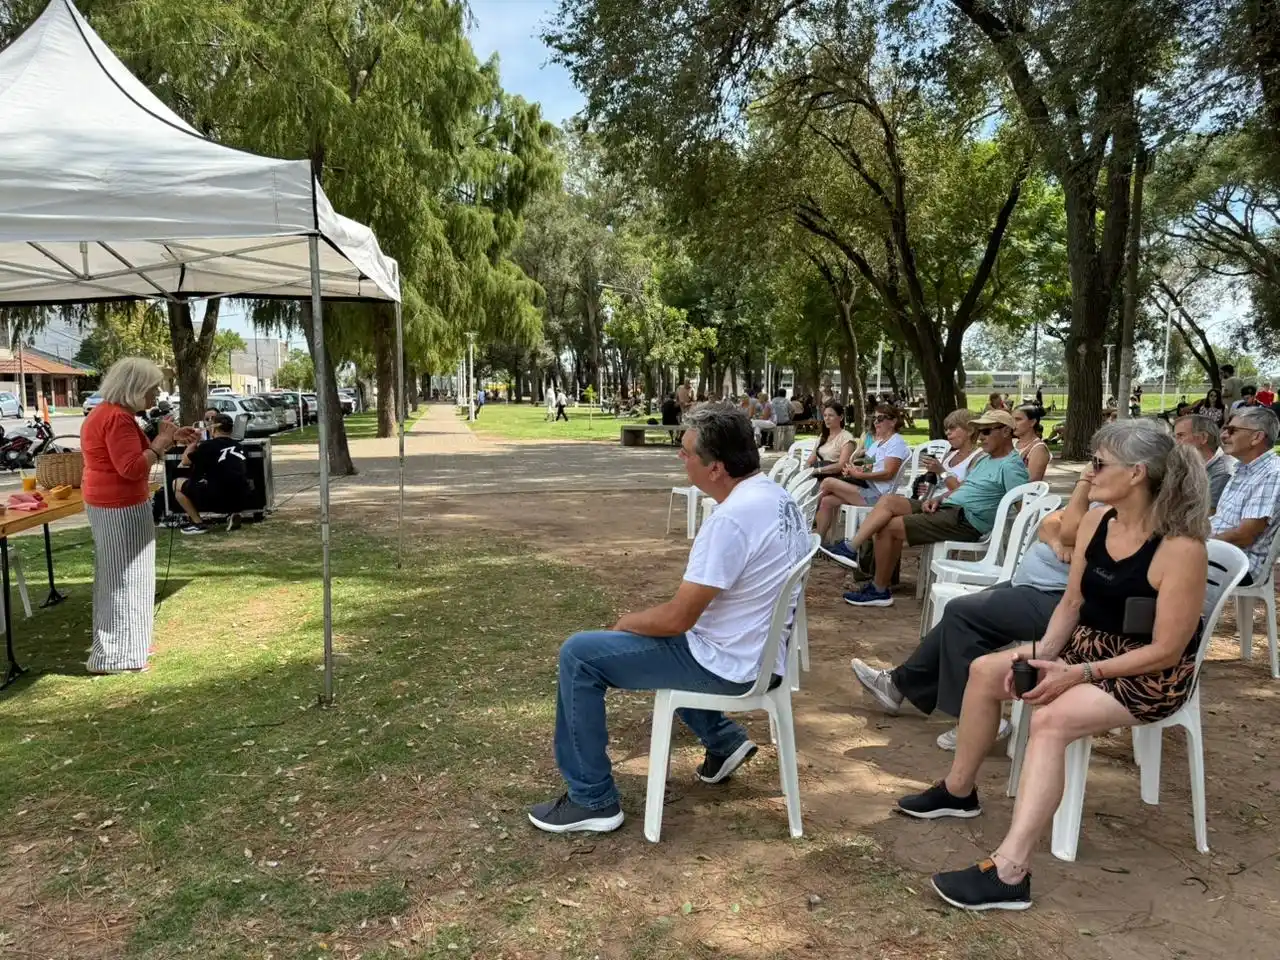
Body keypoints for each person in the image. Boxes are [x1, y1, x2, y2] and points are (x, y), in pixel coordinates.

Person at [906, 419, 1209, 912]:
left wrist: (1078, 674)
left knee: (1049, 720)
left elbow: (1167, 652)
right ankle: (959, 791)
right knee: (987, 670)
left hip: (1149, 675)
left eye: (1098, 463)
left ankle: (1010, 872)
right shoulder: (1097, 521)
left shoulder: (1180, 548)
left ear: (1136, 474)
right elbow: (1070, 605)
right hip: (1089, 648)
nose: (1088, 474)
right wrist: (1043, 657)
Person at [527, 405, 810, 833]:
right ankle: (724, 740)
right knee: (667, 642)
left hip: (731, 665)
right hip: (759, 656)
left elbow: (677, 619)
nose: (681, 458)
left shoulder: (731, 520)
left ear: (715, 468)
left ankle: (592, 799)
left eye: (686, 453)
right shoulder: (775, 497)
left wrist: (628, 622)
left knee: (580, 655)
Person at [850, 471, 1096, 749]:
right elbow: (1049, 523)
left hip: (1061, 601)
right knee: (961, 615)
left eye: (1100, 464)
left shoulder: (1114, 512)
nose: (1093, 470)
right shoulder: (1101, 502)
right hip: (1033, 586)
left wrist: (1083, 484)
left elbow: (1069, 528)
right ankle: (898, 685)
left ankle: (976, 719)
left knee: (962, 613)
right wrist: (1056, 540)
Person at [826, 410, 1030, 608]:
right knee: (889, 501)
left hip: (966, 520)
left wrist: (1018, 552)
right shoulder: (986, 459)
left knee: (888, 527)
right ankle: (851, 549)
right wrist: (939, 499)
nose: (981, 437)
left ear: (1005, 432)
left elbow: (1024, 507)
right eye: (980, 431)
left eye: (986, 431)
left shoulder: (1011, 466)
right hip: (949, 508)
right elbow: (965, 488)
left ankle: (879, 590)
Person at [81, 357, 198, 674]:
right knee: (125, 580)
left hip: (113, 502)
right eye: (152, 388)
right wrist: (160, 442)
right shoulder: (116, 419)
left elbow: (131, 456)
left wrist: (169, 440)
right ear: (133, 388)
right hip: (118, 505)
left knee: (124, 578)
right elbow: (131, 468)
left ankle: (128, 647)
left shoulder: (110, 414)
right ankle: (116, 656)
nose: (157, 393)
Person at [815, 406, 909, 541]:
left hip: (879, 495)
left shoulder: (896, 442)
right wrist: (854, 470)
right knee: (826, 501)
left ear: (893, 421)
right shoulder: (878, 443)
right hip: (866, 486)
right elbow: (869, 468)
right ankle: (818, 543)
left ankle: (806, 516)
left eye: (880, 419)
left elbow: (888, 473)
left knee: (828, 482)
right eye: (874, 419)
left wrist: (859, 475)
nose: (876, 422)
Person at [1211, 406, 1280, 588]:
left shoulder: (1272, 474)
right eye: (1224, 429)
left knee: (1157, 565)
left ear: (1257, 437)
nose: (1224, 435)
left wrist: (1197, 543)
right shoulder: (1243, 469)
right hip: (1220, 552)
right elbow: (1221, 521)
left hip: (1239, 563)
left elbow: (1244, 536)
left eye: (1231, 430)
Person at [172, 414, 251, 534]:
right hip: (243, 498)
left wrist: (194, 442)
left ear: (213, 429)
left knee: (176, 483)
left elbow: (185, 461)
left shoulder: (207, 446)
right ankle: (233, 513)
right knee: (226, 481)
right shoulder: (241, 447)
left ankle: (198, 523)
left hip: (217, 499)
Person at [809, 402, 863, 539]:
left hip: (836, 477)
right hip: (818, 475)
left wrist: (819, 470)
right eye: (825, 415)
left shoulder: (846, 438)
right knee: (804, 486)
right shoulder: (823, 436)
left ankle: (809, 515)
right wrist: (805, 471)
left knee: (816, 493)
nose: (827, 418)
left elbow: (841, 465)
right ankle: (818, 538)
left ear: (841, 417)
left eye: (831, 415)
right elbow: (810, 459)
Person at [917, 408, 982, 501]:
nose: (947, 432)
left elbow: (962, 492)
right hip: (930, 503)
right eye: (946, 429)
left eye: (952, 428)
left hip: (951, 507)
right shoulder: (949, 455)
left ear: (970, 430)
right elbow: (937, 485)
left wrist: (941, 471)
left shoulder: (979, 457)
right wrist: (924, 486)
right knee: (890, 501)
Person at [1172, 414, 1233, 509]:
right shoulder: (1189, 462)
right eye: (1175, 437)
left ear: (1203, 437)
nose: (1175, 442)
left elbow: (1207, 514)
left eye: (1181, 436)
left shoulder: (1223, 472)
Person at [1011, 404, 1050, 483]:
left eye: (1018, 419)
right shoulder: (1012, 442)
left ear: (1032, 422)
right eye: (1012, 420)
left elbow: (1032, 483)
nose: (1013, 423)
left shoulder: (1038, 449)